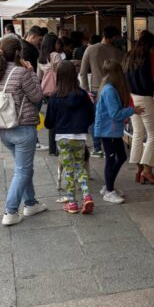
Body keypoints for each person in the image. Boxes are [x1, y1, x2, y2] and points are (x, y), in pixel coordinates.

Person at [0, 35, 47, 226]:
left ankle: (30, 203)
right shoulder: (21, 73)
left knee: (23, 168)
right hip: (22, 128)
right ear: (18, 53)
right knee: (22, 170)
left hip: (4, 128)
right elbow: (38, 96)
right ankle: (10, 211)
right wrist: (31, 72)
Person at [45, 61, 96, 214]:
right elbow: (91, 115)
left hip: (62, 138)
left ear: (59, 76)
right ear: (75, 76)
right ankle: (87, 196)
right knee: (80, 166)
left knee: (68, 169)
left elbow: (48, 122)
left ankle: (72, 203)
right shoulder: (83, 95)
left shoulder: (54, 97)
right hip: (79, 137)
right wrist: (82, 126)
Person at [94, 59, 143, 204]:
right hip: (108, 131)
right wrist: (132, 110)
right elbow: (115, 113)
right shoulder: (109, 90)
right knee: (111, 159)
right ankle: (109, 190)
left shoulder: (108, 87)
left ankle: (109, 186)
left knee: (121, 156)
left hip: (111, 131)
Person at [80, 25, 125, 157]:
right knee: (113, 118)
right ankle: (111, 146)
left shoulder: (90, 49)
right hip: (114, 90)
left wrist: (86, 90)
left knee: (96, 119)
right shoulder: (118, 52)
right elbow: (124, 72)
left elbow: (83, 73)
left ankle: (97, 148)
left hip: (95, 90)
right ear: (112, 37)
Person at [123, 30, 154, 184]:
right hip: (144, 98)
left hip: (131, 97)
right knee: (153, 134)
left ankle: (139, 169)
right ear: (150, 46)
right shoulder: (148, 57)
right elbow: (149, 82)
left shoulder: (129, 55)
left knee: (138, 133)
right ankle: (147, 171)